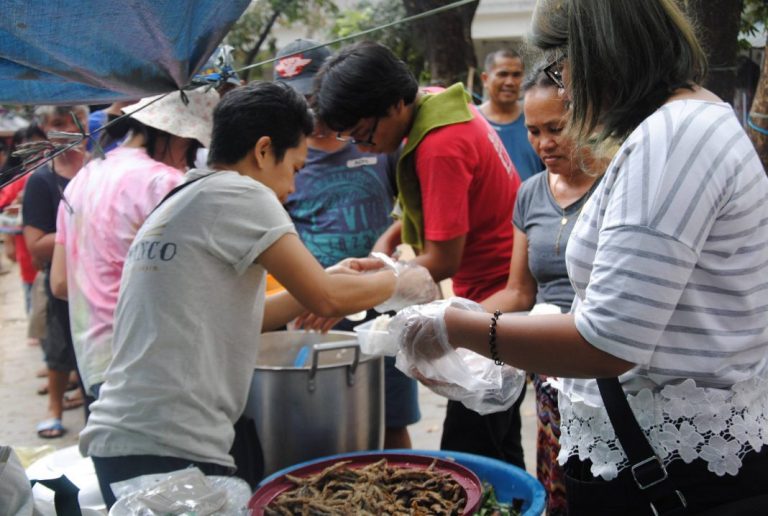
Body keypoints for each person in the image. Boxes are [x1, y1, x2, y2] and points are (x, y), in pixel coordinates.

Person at [393, 0, 768, 514]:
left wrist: (455, 326)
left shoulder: (671, 139)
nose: (565, 90)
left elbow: (607, 342)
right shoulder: (677, 127)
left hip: (673, 473)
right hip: (648, 455)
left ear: (598, 53)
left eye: (558, 69)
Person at [79, 81, 438, 508]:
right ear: (264, 151)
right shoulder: (241, 192)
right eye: (295, 169)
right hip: (167, 446)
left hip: (127, 439)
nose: (293, 189)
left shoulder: (187, 195)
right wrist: (403, 281)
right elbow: (328, 299)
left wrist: (321, 280)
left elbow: (247, 314)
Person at [313, 41, 526, 467]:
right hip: (494, 288)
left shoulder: (439, 146)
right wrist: (389, 245)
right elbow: (440, 205)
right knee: (500, 440)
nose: (363, 148)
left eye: (364, 133)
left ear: (394, 104)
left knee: (468, 456)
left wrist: (368, 285)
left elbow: (443, 261)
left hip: (497, 298)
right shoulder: (434, 102)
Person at [273, 38, 419, 449]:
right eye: (297, 102)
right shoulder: (281, 159)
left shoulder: (378, 140)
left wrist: (389, 250)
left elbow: (410, 212)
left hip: (383, 308)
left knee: (392, 421)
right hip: (315, 313)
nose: (308, 112)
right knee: (326, 428)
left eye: (312, 99)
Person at [479, 65, 602, 515]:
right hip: (549, 372)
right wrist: (453, 319)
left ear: (587, 118)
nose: (543, 143)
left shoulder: (616, 186)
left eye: (556, 128)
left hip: (603, 367)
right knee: (559, 487)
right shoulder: (530, 193)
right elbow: (518, 293)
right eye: (533, 131)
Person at [49, 88, 219, 409]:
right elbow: (191, 283)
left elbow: (59, 283)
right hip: (151, 363)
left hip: (95, 361)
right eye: (192, 147)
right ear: (179, 136)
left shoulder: (83, 178)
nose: (188, 161)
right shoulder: (165, 183)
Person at [22, 105, 89, 438]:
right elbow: (35, 244)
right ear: (45, 130)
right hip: (63, 282)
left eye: (77, 120)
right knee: (61, 348)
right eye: (59, 123)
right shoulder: (41, 180)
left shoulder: (101, 168)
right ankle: (54, 408)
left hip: (102, 279)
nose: (70, 129)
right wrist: (84, 228)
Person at [479, 49, 543, 182]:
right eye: (502, 74)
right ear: (485, 79)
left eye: (516, 75)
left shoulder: (537, 121)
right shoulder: (474, 122)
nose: (510, 82)